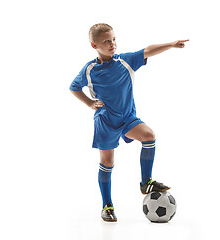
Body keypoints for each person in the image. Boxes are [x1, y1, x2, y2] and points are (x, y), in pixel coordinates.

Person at [70, 23, 188, 222]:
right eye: (106, 41)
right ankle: (107, 206)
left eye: (114, 39)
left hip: (127, 118)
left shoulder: (124, 61)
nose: (112, 44)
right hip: (105, 121)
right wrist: (90, 103)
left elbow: (147, 50)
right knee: (107, 162)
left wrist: (171, 44)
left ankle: (146, 182)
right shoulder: (89, 70)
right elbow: (74, 87)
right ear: (94, 45)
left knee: (149, 136)